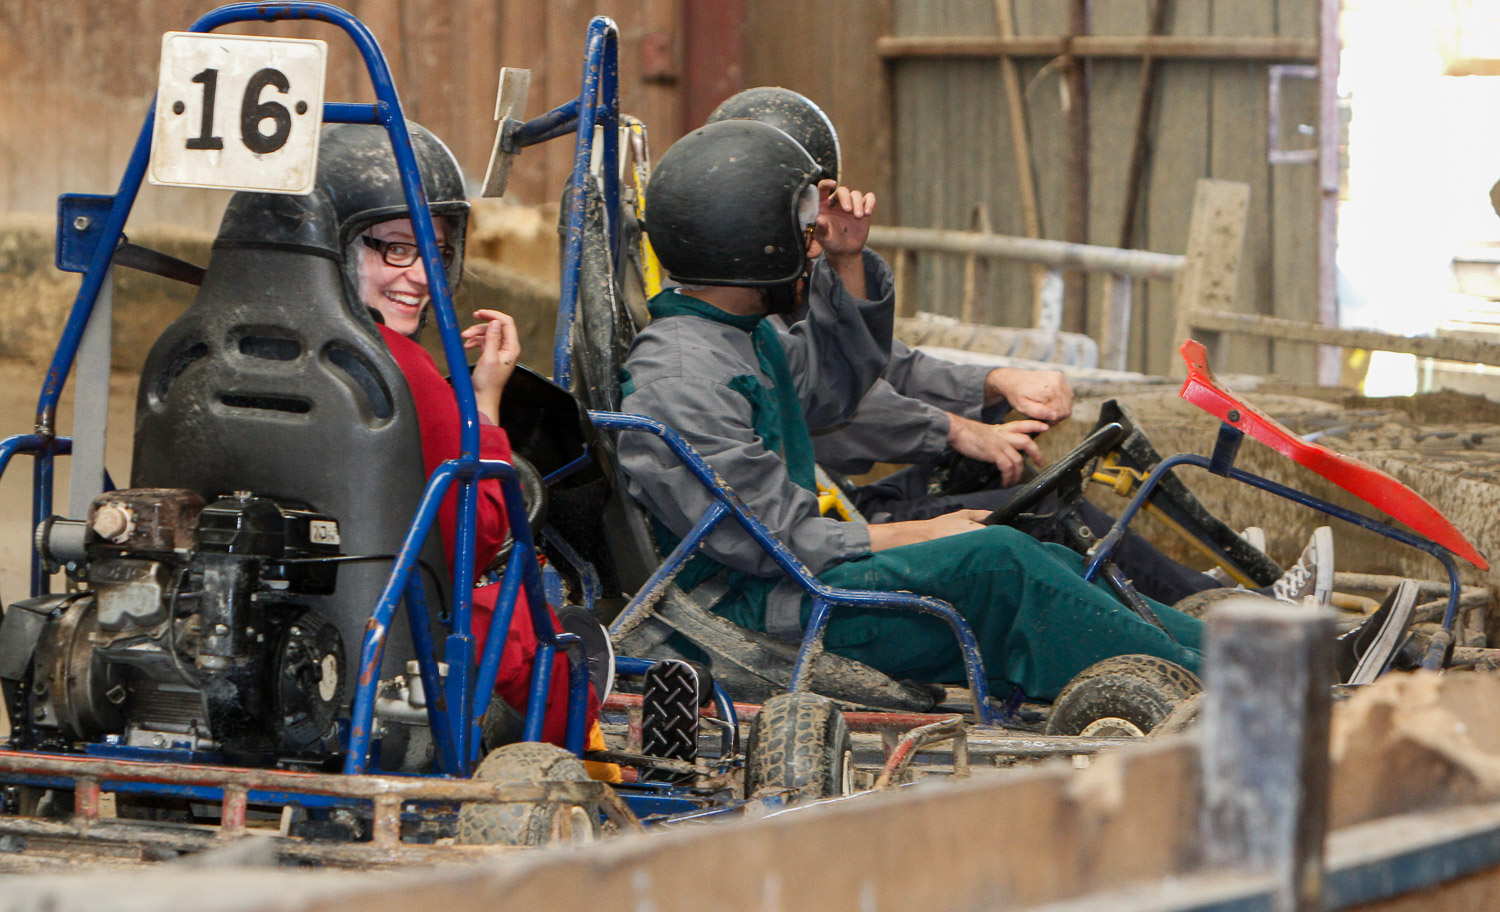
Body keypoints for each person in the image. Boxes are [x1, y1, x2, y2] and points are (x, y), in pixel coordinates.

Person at [615, 119, 1205, 703]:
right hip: (754, 611)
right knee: (998, 564)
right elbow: (776, 539)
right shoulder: (685, 377)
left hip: (788, 579)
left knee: (1040, 554)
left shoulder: (736, 335)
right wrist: (923, 530)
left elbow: (840, 384)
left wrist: (848, 261)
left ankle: (1227, 650)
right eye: (803, 234)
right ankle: (1224, 687)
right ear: (750, 245)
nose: (812, 246)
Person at [706, 87, 1332, 607]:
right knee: (1041, 511)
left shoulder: (781, 278)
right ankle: (1223, 609)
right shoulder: (737, 307)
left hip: (829, 506)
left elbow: (882, 362)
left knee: (1008, 466)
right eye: (808, 205)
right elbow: (831, 404)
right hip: (827, 529)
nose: (819, 222)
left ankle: (1182, 590)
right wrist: (956, 430)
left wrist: (993, 382)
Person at [318, 123, 602, 753]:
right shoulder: (402, 371)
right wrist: (485, 407)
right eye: (394, 248)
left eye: (434, 250)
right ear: (332, 244)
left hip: (281, 630)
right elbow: (479, 534)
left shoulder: (211, 355)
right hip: (397, 646)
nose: (421, 276)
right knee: (535, 616)